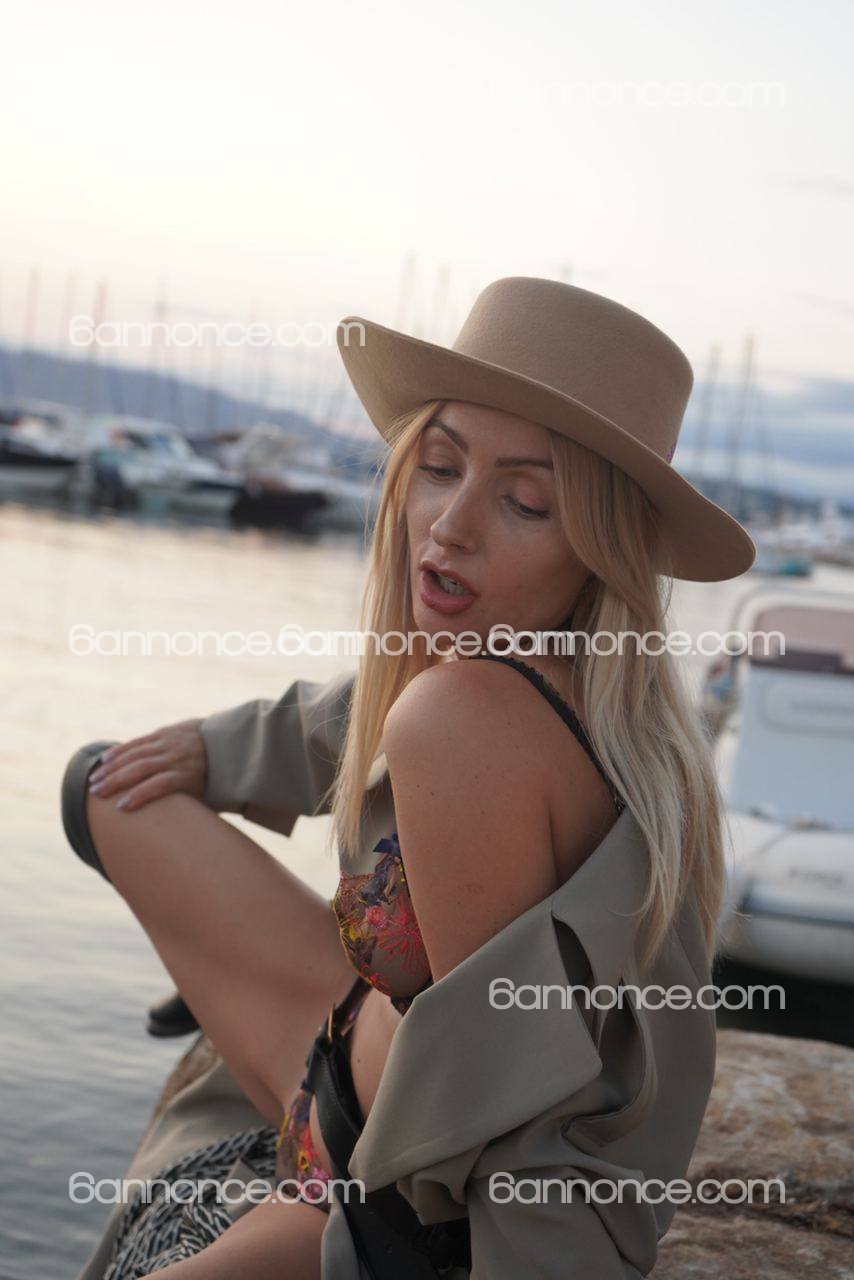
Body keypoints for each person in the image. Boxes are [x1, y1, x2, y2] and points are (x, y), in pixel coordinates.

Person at [61, 276, 755, 1279]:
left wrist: (317, 1235)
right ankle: (212, 994)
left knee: (106, 788)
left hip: (379, 1187)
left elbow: (462, 1154)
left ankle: (215, 1007)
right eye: (438, 466)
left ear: (602, 548)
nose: (449, 525)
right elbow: (346, 711)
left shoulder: (459, 715)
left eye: (524, 500)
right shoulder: (605, 700)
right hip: (334, 1059)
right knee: (105, 787)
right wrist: (215, 747)